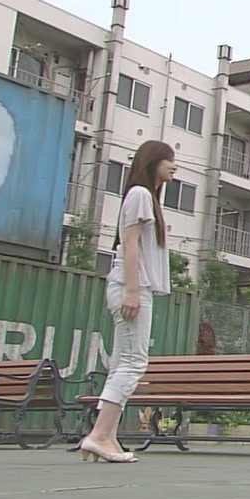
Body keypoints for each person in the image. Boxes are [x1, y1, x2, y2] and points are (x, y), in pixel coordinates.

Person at [76, 141, 176, 463]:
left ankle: (107, 436)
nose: (174, 166)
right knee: (134, 362)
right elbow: (129, 244)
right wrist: (133, 290)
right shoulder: (140, 194)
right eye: (168, 160)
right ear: (152, 161)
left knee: (122, 363)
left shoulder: (145, 197)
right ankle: (99, 435)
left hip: (132, 285)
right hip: (131, 285)